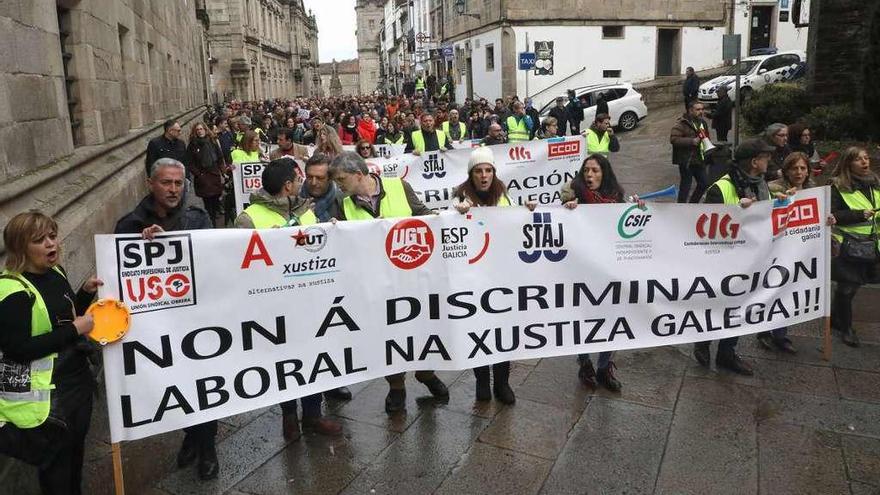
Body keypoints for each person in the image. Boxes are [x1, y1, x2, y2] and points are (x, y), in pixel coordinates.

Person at [114, 158, 218, 480]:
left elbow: (213, 264)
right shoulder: (128, 226)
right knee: (174, 384)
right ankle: (191, 435)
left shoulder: (198, 220)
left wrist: (171, 241)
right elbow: (121, 274)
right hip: (156, 326)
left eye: (178, 183)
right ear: (150, 184)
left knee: (204, 383)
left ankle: (208, 445)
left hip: (195, 320)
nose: (173, 190)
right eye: (166, 183)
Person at [329, 152, 449, 413]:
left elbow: (424, 215)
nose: (338, 185)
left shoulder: (399, 187)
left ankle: (425, 373)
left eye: (341, 179)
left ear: (359, 175)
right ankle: (396, 386)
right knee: (387, 336)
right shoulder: (341, 202)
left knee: (421, 330)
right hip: (374, 283)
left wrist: (446, 216)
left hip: (410, 277)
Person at [0, 212, 102, 495]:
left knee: (75, 457)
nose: (50, 244)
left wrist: (83, 294)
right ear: (20, 248)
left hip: (76, 384)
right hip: (48, 402)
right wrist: (75, 330)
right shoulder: (11, 291)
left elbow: (64, 320)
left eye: (52, 236)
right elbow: (19, 349)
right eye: (39, 240)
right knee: (56, 471)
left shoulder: (55, 272)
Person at [451, 147, 527, 404]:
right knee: (478, 332)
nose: (484, 176)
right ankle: (482, 382)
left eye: (488, 170)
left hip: (501, 277)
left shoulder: (503, 196)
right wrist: (457, 216)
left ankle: (502, 383)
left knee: (502, 332)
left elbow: (517, 227)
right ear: (471, 175)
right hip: (472, 280)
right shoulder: (459, 199)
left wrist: (527, 211)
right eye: (478, 171)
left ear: (494, 172)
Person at [696, 139, 777, 375]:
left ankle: (727, 353)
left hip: (750, 260)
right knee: (715, 306)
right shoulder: (720, 189)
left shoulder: (761, 185)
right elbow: (702, 228)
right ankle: (702, 342)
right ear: (754, 162)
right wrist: (736, 214)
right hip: (721, 263)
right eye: (765, 157)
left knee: (738, 307)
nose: (768, 161)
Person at [560, 154, 639, 392]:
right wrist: (567, 209)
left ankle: (604, 366)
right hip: (582, 269)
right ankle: (584, 363)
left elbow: (626, 226)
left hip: (609, 268)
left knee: (612, 316)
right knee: (583, 317)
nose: (589, 175)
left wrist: (638, 209)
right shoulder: (572, 193)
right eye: (586, 171)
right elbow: (558, 224)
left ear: (604, 173)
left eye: (595, 171)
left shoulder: (615, 196)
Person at [830, 147, 878, 347]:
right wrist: (858, 215)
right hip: (847, 247)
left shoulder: (875, 184)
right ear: (848, 163)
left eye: (866, 158)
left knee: (852, 286)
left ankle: (835, 318)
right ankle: (846, 328)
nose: (864, 162)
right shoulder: (837, 186)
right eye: (858, 159)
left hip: (871, 247)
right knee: (847, 287)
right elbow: (830, 215)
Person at [670, 100, 711, 203]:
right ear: (690, 110)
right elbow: (674, 139)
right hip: (687, 160)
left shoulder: (703, 123)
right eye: (698, 109)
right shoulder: (681, 123)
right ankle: (681, 207)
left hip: (699, 159)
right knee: (685, 187)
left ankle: (693, 204)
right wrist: (691, 141)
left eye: (702, 109)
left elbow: (706, 138)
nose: (701, 111)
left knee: (704, 183)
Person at [186, 122, 226, 227]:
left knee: (216, 200)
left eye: (201, 129)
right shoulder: (193, 145)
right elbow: (190, 162)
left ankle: (214, 217)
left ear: (205, 129)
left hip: (214, 175)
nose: (200, 131)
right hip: (203, 178)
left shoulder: (212, 141)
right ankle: (211, 224)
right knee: (208, 204)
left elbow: (220, 157)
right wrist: (199, 174)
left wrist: (223, 172)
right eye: (197, 129)